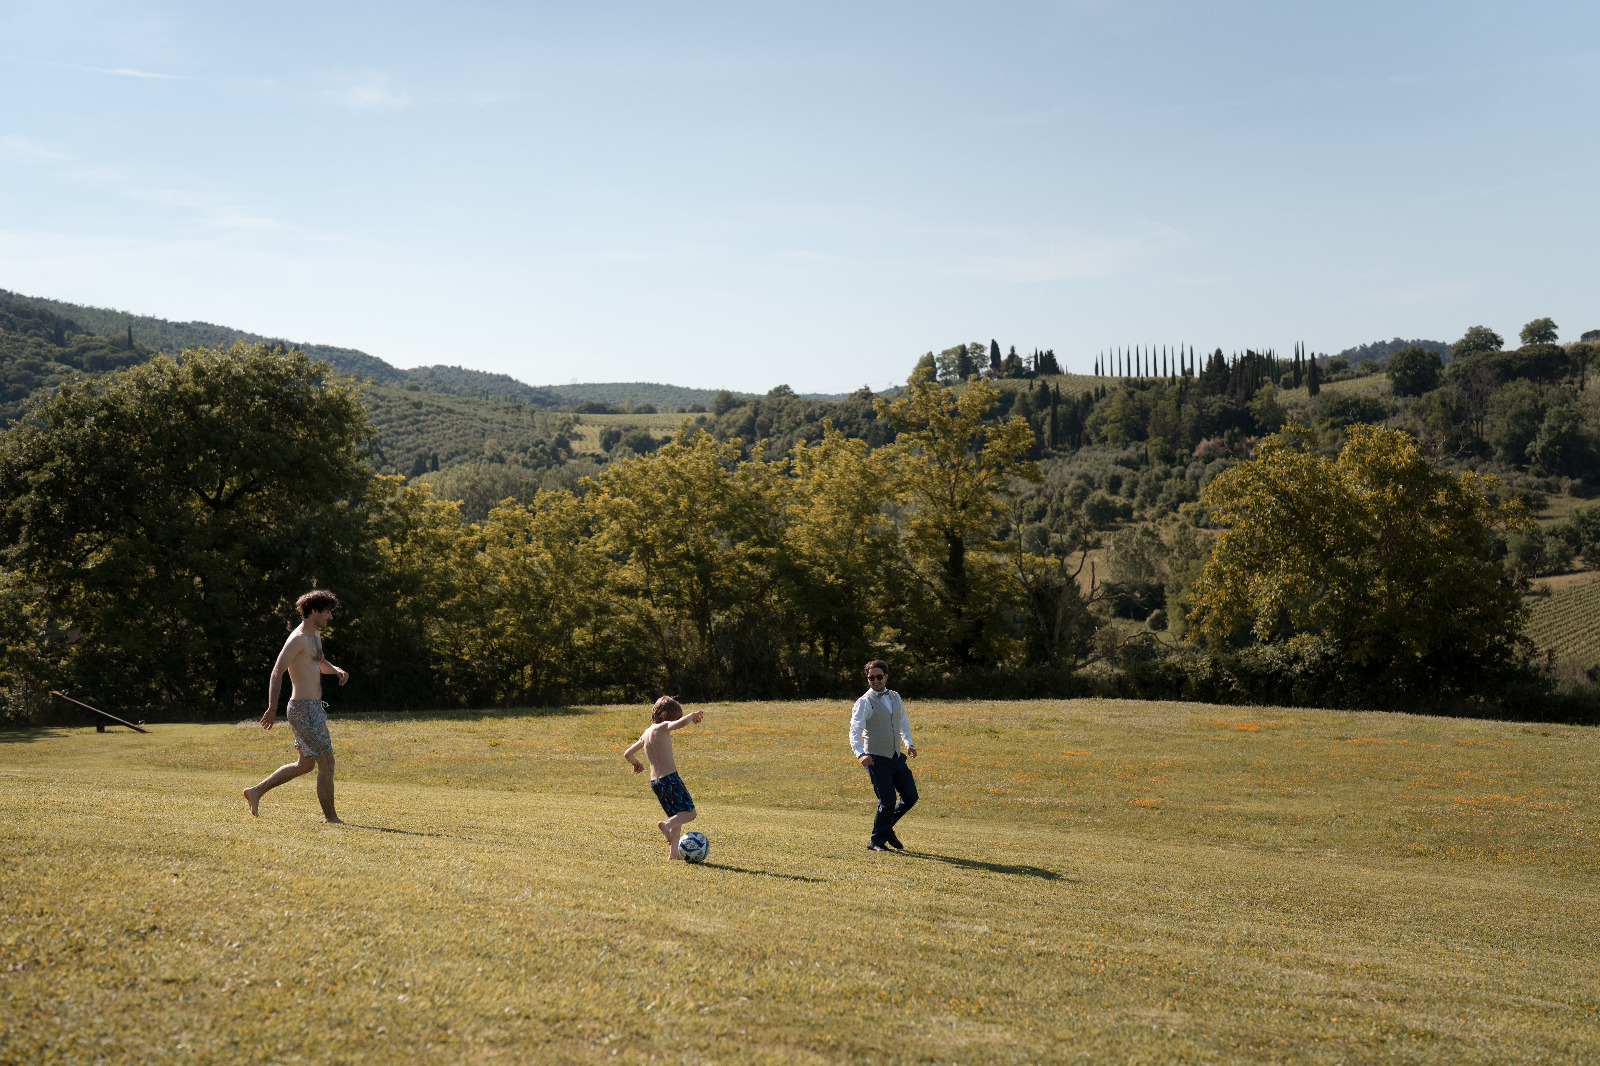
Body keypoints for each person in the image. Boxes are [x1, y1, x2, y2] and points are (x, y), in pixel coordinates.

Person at [243, 590, 350, 823]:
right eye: (327, 612)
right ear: (314, 611)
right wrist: (272, 708)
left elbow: (319, 663)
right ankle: (331, 818)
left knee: (305, 765)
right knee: (327, 762)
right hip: (303, 709)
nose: (330, 617)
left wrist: (337, 670)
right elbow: (277, 671)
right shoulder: (298, 639)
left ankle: (255, 791)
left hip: (314, 708)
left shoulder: (315, 636)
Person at [624, 696, 704, 860]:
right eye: (674, 717)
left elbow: (627, 754)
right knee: (690, 813)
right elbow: (682, 723)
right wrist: (692, 715)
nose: (674, 721)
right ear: (665, 714)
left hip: (656, 782)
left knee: (677, 815)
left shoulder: (645, 734)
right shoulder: (662, 727)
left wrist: (636, 763)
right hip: (670, 779)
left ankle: (674, 853)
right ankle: (665, 825)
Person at [849, 659, 917, 852]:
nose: (875, 681)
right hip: (876, 759)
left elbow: (902, 721)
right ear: (867, 679)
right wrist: (860, 754)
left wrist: (908, 742)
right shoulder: (864, 702)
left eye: (879, 677)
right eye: (871, 678)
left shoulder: (895, 696)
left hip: (896, 757)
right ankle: (876, 842)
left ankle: (885, 828)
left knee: (910, 796)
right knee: (887, 802)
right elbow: (854, 730)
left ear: (886, 676)